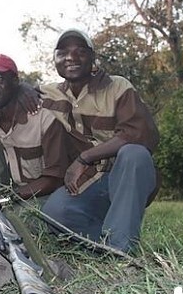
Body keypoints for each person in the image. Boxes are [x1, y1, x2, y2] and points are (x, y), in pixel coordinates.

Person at [41, 29, 160, 254]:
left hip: (124, 175)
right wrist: (24, 90)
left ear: (93, 57)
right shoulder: (49, 94)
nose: (71, 57)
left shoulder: (117, 87)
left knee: (134, 153)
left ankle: (120, 248)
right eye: (63, 52)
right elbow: (14, 93)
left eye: (80, 51)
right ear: (55, 60)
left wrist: (85, 157)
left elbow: (139, 133)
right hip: (88, 180)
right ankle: (106, 241)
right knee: (54, 214)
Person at [0, 54, 72, 203]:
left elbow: (55, 178)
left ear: (15, 81)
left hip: (38, 196)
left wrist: (6, 199)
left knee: (21, 220)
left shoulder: (43, 117)